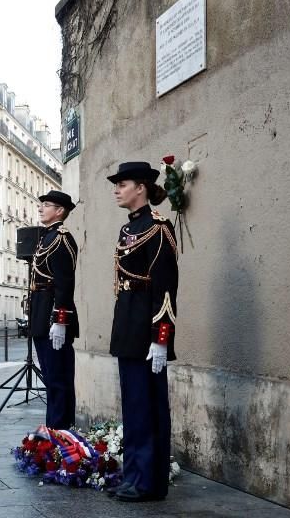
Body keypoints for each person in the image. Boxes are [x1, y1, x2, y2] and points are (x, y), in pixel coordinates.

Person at [106, 162, 179, 503]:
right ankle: (132, 475)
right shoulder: (128, 229)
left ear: (142, 188)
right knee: (134, 408)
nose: (116, 189)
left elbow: (165, 289)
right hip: (127, 329)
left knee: (148, 408)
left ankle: (149, 482)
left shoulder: (159, 228)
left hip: (148, 336)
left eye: (122, 184)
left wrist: (161, 339)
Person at [28, 190, 80, 430]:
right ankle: (54, 431)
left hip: (53, 314)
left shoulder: (62, 238)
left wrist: (60, 320)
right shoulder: (46, 237)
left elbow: (65, 282)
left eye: (46, 205)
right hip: (41, 311)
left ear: (59, 211)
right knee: (50, 377)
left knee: (58, 379)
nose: (40, 208)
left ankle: (60, 434)